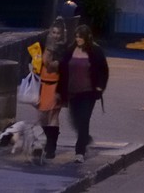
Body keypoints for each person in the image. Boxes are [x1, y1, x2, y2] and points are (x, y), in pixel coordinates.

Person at [56, 24, 108, 164]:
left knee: (84, 119)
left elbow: (103, 70)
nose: (78, 39)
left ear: (87, 38)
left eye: (81, 37)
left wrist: (100, 87)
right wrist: (59, 91)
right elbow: (62, 70)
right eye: (77, 37)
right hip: (72, 92)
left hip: (88, 92)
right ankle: (85, 137)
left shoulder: (95, 51)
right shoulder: (70, 50)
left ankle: (79, 151)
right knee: (75, 120)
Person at [37, 51, 63, 161]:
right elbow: (35, 64)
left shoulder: (62, 49)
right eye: (54, 32)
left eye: (58, 32)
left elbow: (52, 66)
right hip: (42, 86)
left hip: (55, 86)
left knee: (53, 116)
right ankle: (49, 140)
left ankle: (51, 147)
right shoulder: (42, 46)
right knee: (42, 117)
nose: (56, 35)